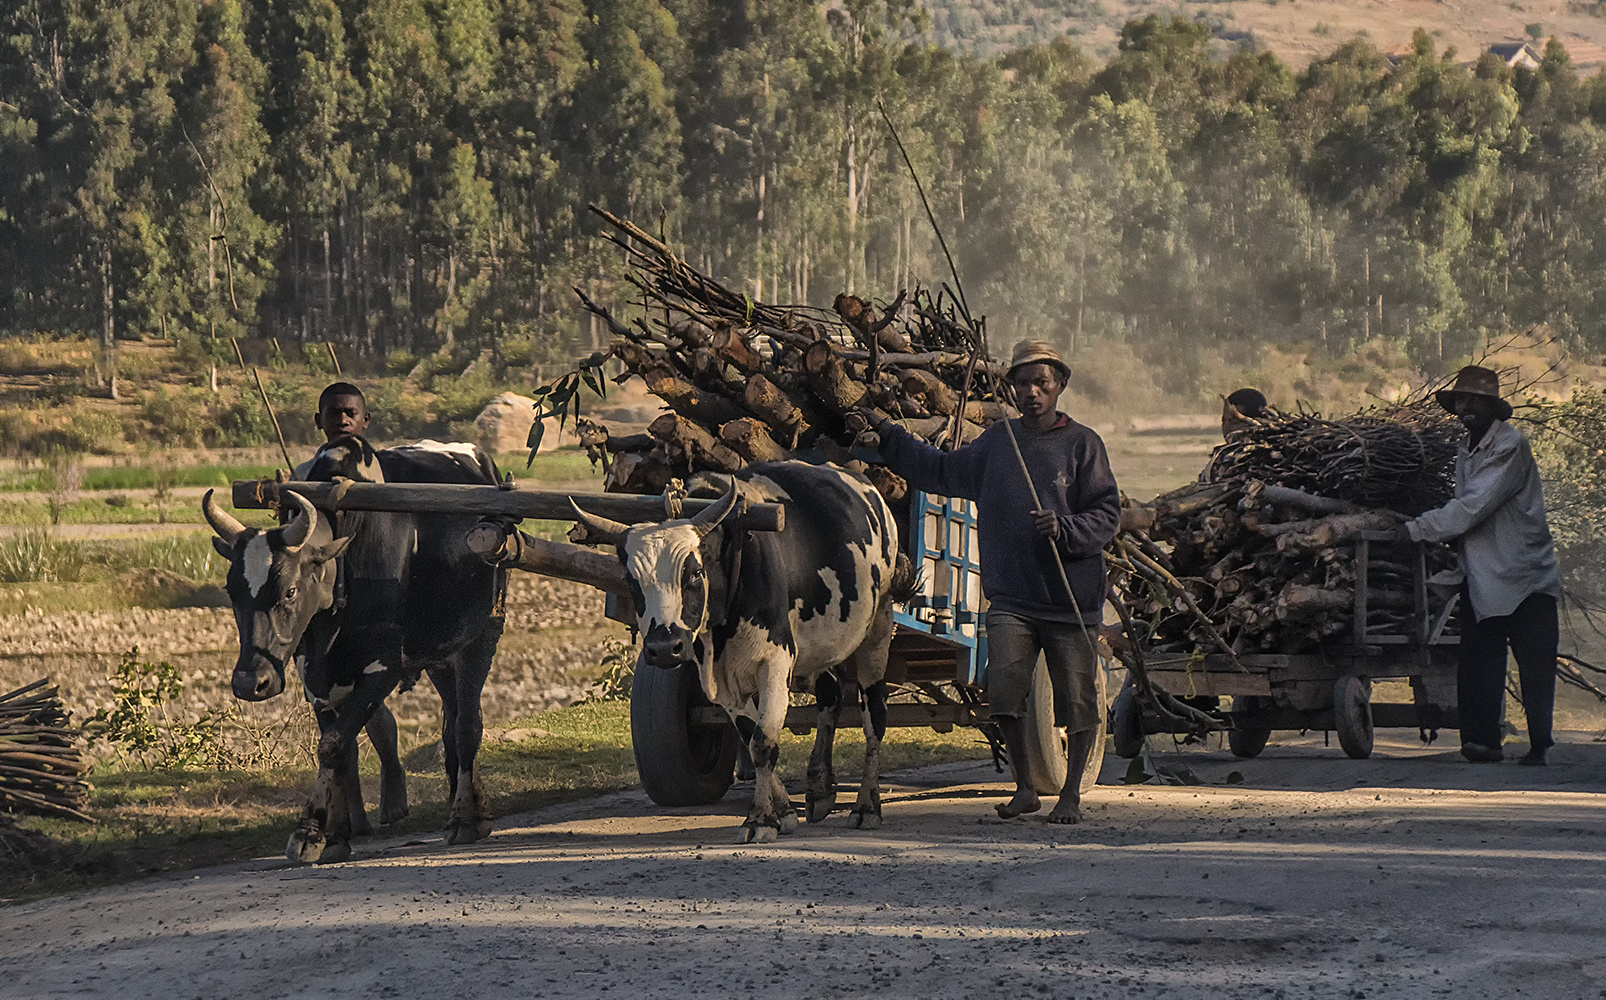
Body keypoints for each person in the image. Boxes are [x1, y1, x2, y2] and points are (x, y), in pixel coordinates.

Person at [865, 340, 1121, 822]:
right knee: (1003, 693)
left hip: (1069, 599)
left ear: (1060, 386)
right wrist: (887, 433)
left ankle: (1070, 795)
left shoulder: (1083, 444)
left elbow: (1108, 515)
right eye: (1023, 384)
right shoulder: (998, 443)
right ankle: (1026, 787)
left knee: (1079, 698)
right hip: (1012, 598)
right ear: (1013, 389)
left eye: (1042, 383)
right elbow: (939, 471)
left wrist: (1065, 529)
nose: (1032, 392)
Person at [1402, 365, 1561, 765]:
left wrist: (1418, 528)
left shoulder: (1511, 445)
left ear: (1493, 406)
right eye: (1461, 400)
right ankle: (1482, 741)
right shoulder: (1466, 448)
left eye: (1475, 400)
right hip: (1484, 573)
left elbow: (1474, 506)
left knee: (1535, 662)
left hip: (1525, 573)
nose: (1466, 407)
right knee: (1479, 659)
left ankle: (1540, 742)